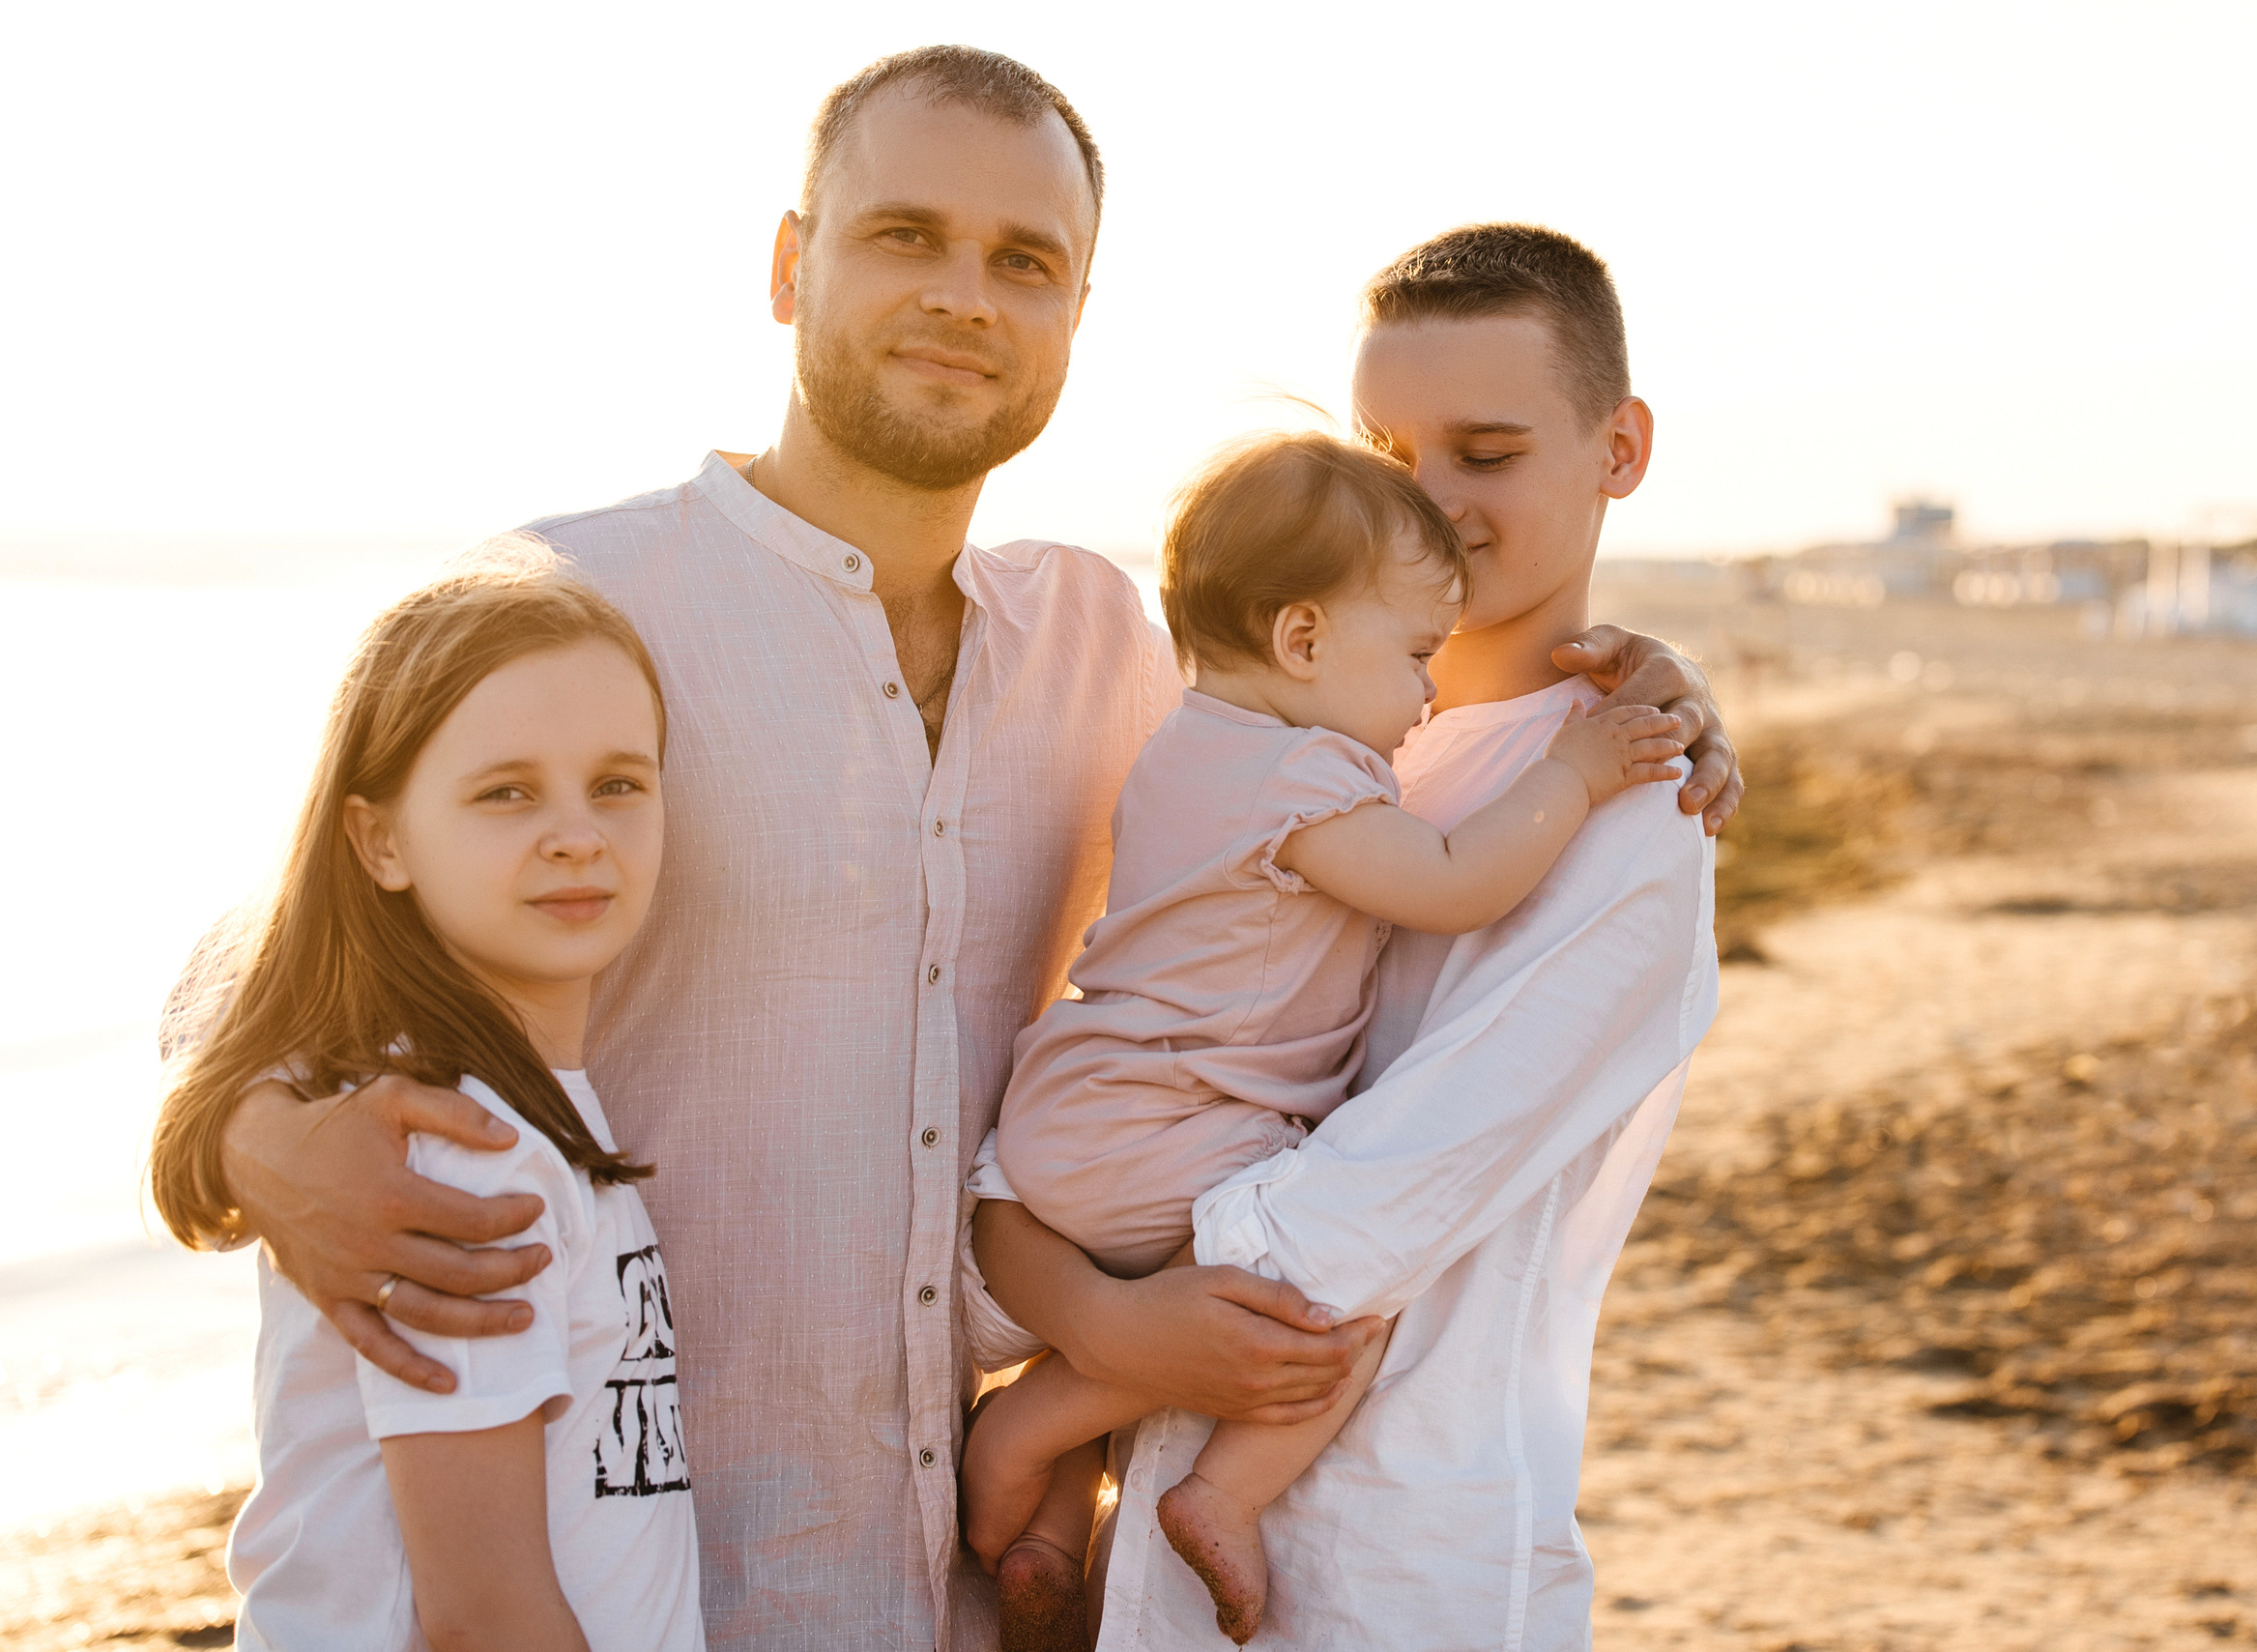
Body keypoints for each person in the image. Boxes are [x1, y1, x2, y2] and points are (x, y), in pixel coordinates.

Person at [198, 49, 1741, 1650]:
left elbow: (1348, 736)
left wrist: (1643, 687)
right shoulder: (571, 599)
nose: (964, 297)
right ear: (792, 265)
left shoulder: (1108, 649)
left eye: (1025, 262)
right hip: (621, 1580)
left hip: (956, 1590)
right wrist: (264, 1144)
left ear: (1078, 313)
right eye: (904, 236)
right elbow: (263, 961)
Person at [973, 223, 1717, 1649]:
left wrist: (1045, 1298)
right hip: (1148, 1539)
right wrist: (1044, 1266)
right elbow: (1109, 1031)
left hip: (1386, 1562)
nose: (1426, 501)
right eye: (1390, 450)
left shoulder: (1631, 821)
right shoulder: (1320, 744)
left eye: (1484, 453)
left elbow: (1337, 1228)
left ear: (1619, 448)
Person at [150, 553, 702, 1651]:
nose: (576, 832)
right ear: (380, 840)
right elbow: (484, 1614)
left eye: (618, 782)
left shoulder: (522, 1110)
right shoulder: (461, 1146)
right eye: (506, 791)